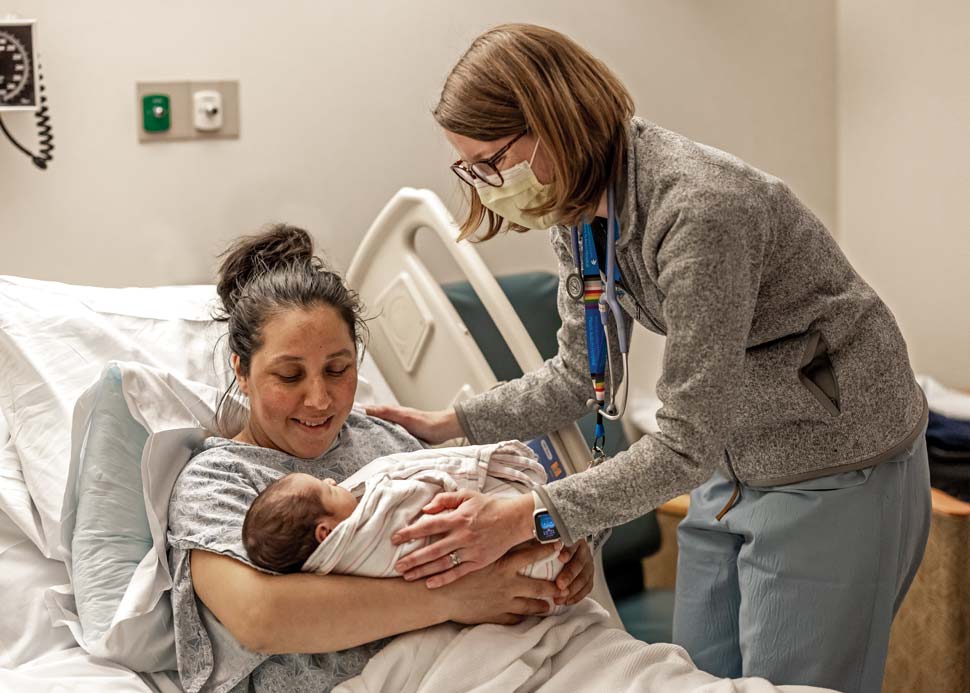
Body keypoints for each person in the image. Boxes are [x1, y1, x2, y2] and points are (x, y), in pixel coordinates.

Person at [367, 23, 931, 693]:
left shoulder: (700, 212)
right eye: (473, 169)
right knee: (688, 678)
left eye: (492, 162)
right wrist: (451, 422)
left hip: (833, 459)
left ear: (554, 123)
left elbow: (684, 442)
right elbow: (577, 372)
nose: (489, 185)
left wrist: (530, 515)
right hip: (730, 458)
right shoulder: (579, 208)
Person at [166, 225, 594, 692]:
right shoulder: (217, 480)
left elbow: (479, 517)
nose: (319, 400)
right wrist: (454, 598)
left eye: (338, 369)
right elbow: (260, 616)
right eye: (289, 376)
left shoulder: (384, 439)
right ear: (242, 371)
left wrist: (557, 548)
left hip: (509, 653)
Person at [241, 441, 562, 590]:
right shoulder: (376, 522)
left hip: (533, 539)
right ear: (325, 533)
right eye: (327, 490)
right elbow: (433, 489)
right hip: (515, 554)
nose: (331, 480)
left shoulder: (337, 572)